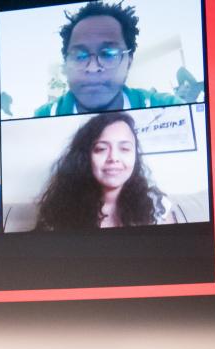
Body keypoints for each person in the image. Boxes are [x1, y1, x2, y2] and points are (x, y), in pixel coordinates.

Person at [34, 2, 183, 117]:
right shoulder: (42, 116)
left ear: (129, 61)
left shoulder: (169, 108)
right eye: (79, 56)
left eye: (109, 54)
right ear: (66, 64)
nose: (92, 68)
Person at [36, 111, 177, 231]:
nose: (113, 158)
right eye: (101, 149)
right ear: (85, 157)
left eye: (125, 149)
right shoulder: (59, 209)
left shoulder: (155, 204)